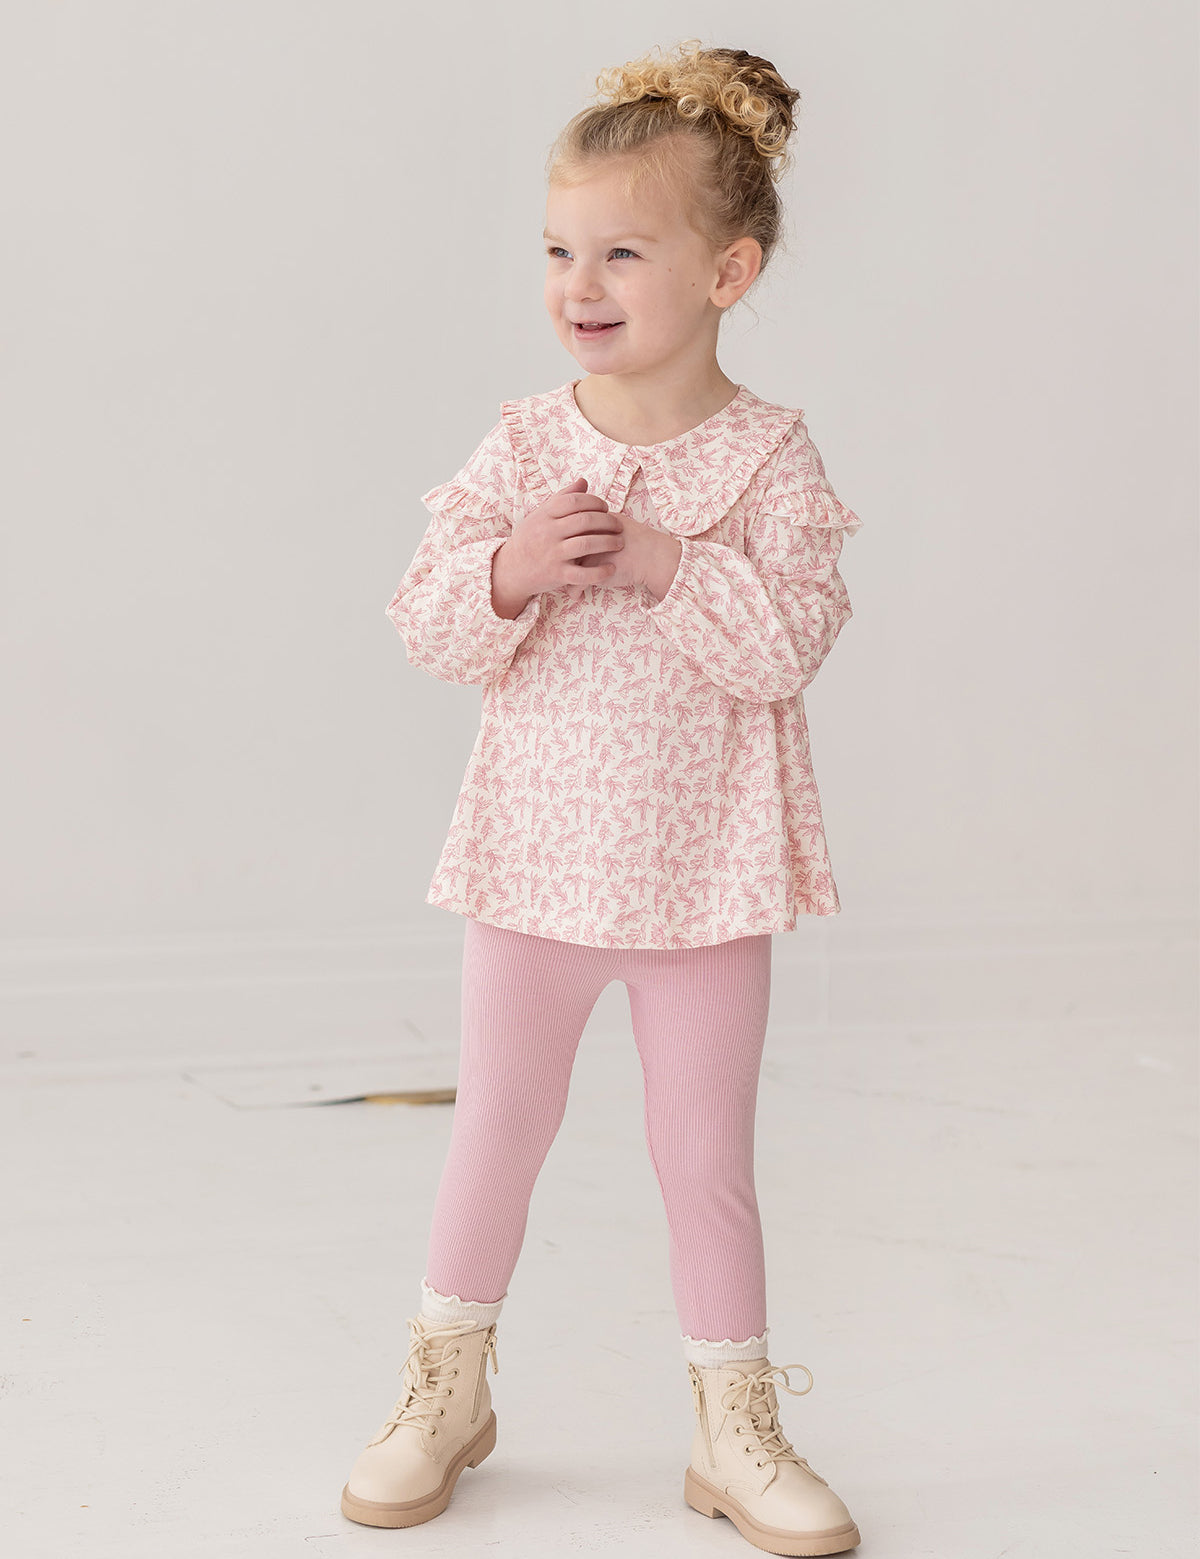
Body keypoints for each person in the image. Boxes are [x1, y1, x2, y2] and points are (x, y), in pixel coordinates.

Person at [341, 38, 865, 1556]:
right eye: (561, 248)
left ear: (729, 270)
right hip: (534, 875)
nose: (582, 279)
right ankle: (446, 1386)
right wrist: (507, 571)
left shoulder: (768, 459)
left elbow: (788, 647)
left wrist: (659, 562)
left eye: (624, 249)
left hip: (704, 878)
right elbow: (431, 624)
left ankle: (733, 1424)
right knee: (497, 1128)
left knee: (703, 1157)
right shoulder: (523, 444)